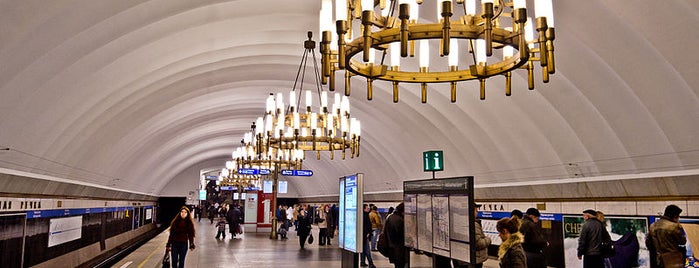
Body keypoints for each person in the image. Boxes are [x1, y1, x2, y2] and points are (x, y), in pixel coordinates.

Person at [453, 203, 491, 268]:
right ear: (471, 211)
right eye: (476, 210)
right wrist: (488, 239)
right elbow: (478, 244)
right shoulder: (473, 225)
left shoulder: (458, 223)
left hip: (461, 259)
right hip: (474, 259)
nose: (477, 212)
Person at [385, 202, 408, 268]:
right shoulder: (399, 220)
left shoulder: (391, 217)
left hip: (392, 246)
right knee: (400, 265)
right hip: (398, 248)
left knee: (397, 265)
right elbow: (400, 234)